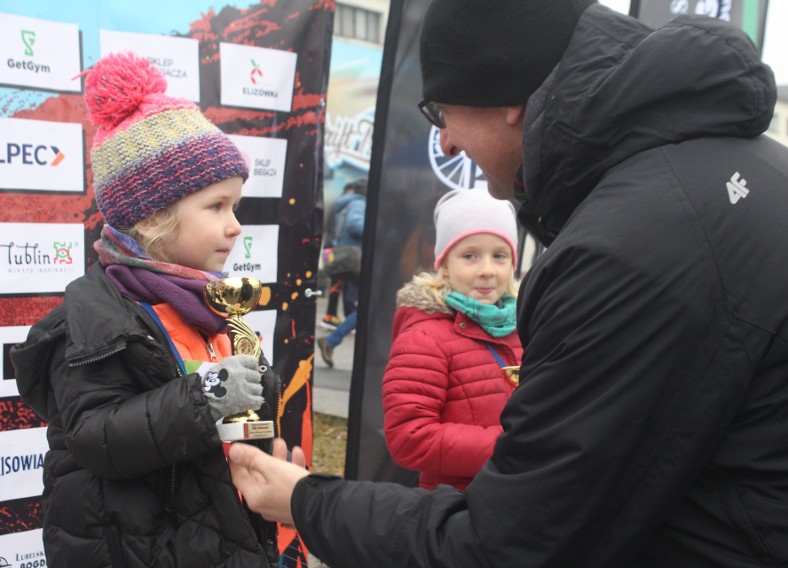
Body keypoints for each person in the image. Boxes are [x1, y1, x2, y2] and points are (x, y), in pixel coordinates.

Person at [229, 1, 788, 566]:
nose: (444, 142)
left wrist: (304, 500)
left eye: (441, 110)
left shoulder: (631, 246)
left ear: (509, 97)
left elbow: (506, 547)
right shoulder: (736, 172)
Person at [10, 52, 281, 567]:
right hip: (139, 548)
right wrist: (209, 395)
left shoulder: (206, 300)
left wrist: (259, 385)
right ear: (154, 216)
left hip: (213, 536)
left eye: (236, 206)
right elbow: (96, 436)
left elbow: (237, 415)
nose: (235, 226)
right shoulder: (92, 316)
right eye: (216, 206)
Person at [382, 188, 522, 490]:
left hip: (523, 503)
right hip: (459, 513)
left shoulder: (527, 326)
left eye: (499, 256)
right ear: (444, 263)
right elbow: (409, 438)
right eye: (470, 255)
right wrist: (513, 446)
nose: (487, 270)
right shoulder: (423, 337)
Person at [319, 178, 367, 330]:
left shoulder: (343, 202)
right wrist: (374, 230)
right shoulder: (358, 204)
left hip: (338, 250)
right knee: (352, 289)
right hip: (351, 253)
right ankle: (346, 321)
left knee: (341, 285)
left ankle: (335, 318)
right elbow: (354, 224)